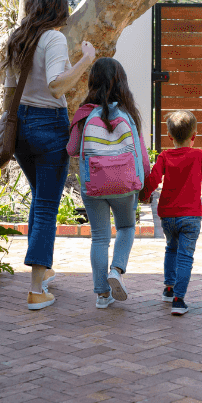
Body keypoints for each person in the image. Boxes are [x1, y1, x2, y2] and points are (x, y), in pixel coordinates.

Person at [5, 0, 97, 311]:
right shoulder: (53, 38)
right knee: (46, 206)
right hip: (48, 125)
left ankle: (43, 271)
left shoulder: (18, 38)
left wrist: (9, 127)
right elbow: (57, 86)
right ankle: (35, 289)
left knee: (40, 200)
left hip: (21, 126)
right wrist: (86, 59)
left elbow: (9, 90)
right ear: (58, 9)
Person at [66, 57, 150, 309]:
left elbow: (71, 149)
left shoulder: (84, 115)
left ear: (92, 82)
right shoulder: (129, 114)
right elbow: (142, 156)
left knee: (100, 238)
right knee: (126, 227)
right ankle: (116, 270)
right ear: (122, 83)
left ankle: (102, 294)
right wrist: (145, 183)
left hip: (93, 185)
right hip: (124, 185)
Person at [139, 110, 202, 315]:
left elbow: (154, 179)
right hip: (191, 216)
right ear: (194, 136)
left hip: (168, 216)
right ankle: (179, 300)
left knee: (171, 248)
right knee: (185, 256)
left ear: (170, 136)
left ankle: (169, 288)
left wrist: (143, 194)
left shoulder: (164, 156)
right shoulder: (198, 155)